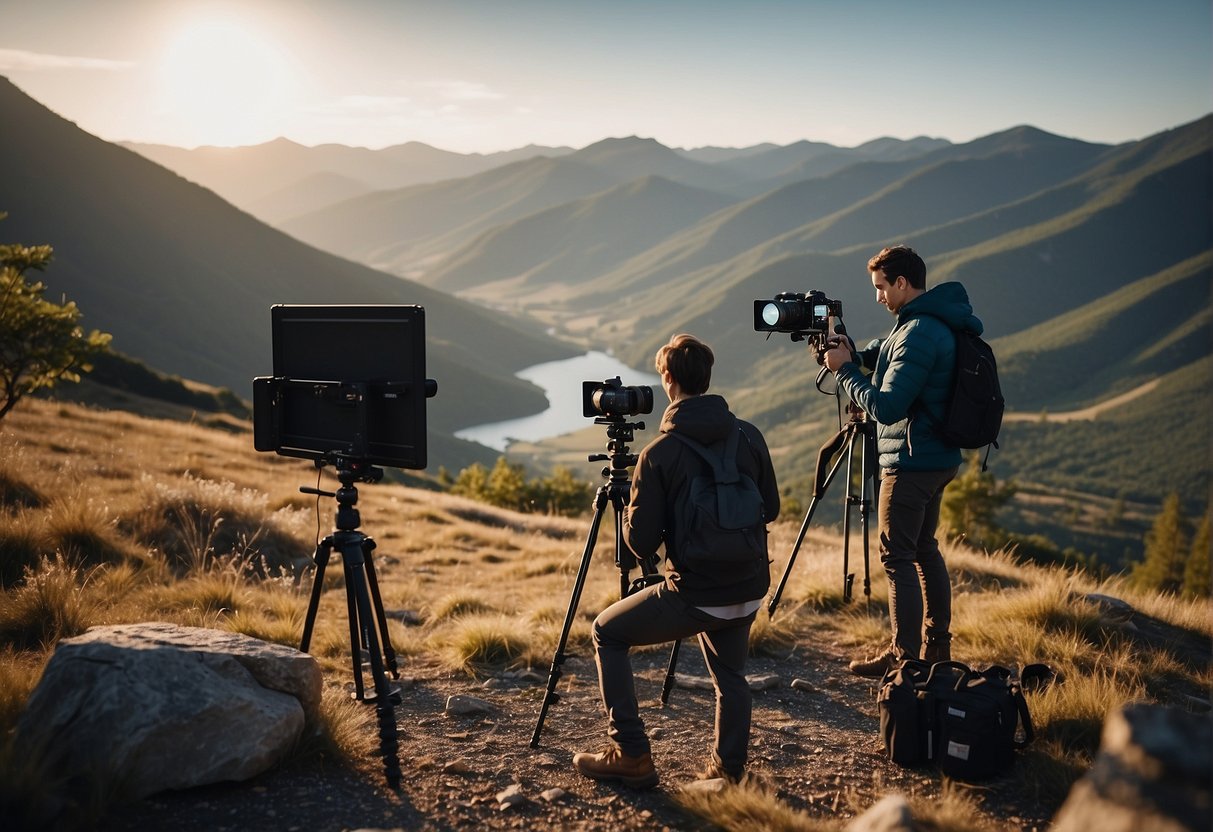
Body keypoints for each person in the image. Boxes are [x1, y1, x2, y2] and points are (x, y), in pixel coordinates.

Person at [572, 333, 780, 788]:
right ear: (706, 377)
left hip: (696, 595)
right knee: (731, 677)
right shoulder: (748, 434)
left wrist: (630, 508)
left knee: (606, 632)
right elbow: (773, 508)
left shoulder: (659, 454)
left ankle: (631, 755)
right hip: (747, 589)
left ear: (667, 379)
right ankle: (728, 773)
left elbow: (640, 548)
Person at [820, 245, 982, 678]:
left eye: (881, 288)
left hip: (911, 462)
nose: (878, 297)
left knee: (897, 557)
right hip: (936, 457)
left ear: (902, 283)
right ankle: (935, 650)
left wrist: (844, 372)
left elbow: (888, 407)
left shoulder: (917, 332)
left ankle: (905, 658)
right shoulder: (923, 323)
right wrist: (853, 353)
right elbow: (887, 353)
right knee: (924, 549)